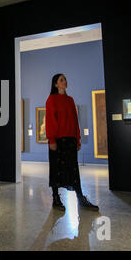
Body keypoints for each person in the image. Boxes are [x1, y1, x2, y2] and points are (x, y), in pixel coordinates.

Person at [45, 73, 99, 211]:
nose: (65, 81)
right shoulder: (51, 99)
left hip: (70, 140)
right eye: (61, 80)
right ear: (56, 84)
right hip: (57, 141)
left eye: (65, 79)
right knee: (56, 169)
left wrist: (78, 139)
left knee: (73, 170)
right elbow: (51, 120)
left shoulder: (70, 100)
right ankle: (56, 198)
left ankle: (80, 197)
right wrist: (52, 139)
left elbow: (75, 121)